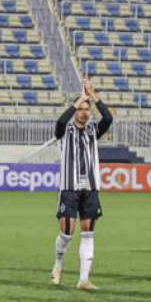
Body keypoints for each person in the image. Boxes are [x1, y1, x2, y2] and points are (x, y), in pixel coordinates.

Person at [50, 79, 113, 290]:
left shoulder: (93, 130)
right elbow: (59, 123)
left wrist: (93, 95)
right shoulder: (64, 131)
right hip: (69, 188)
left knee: (88, 232)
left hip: (91, 189)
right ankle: (58, 264)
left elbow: (108, 117)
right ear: (75, 110)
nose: (85, 112)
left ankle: (84, 279)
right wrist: (77, 102)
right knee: (67, 232)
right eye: (81, 109)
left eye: (88, 109)